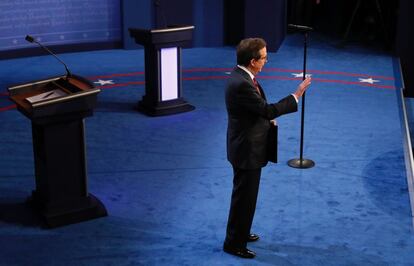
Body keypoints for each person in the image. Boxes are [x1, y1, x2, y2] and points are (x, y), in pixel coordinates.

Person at [223, 38, 311, 259]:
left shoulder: (241, 75)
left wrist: (265, 120)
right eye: (263, 58)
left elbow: (254, 110)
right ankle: (234, 243)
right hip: (246, 151)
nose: (266, 61)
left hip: (243, 146)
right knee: (245, 197)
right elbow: (266, 109)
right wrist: (296, 95)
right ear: (253, 61)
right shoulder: (243, 84)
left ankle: (241, 231)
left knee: (244, 197)